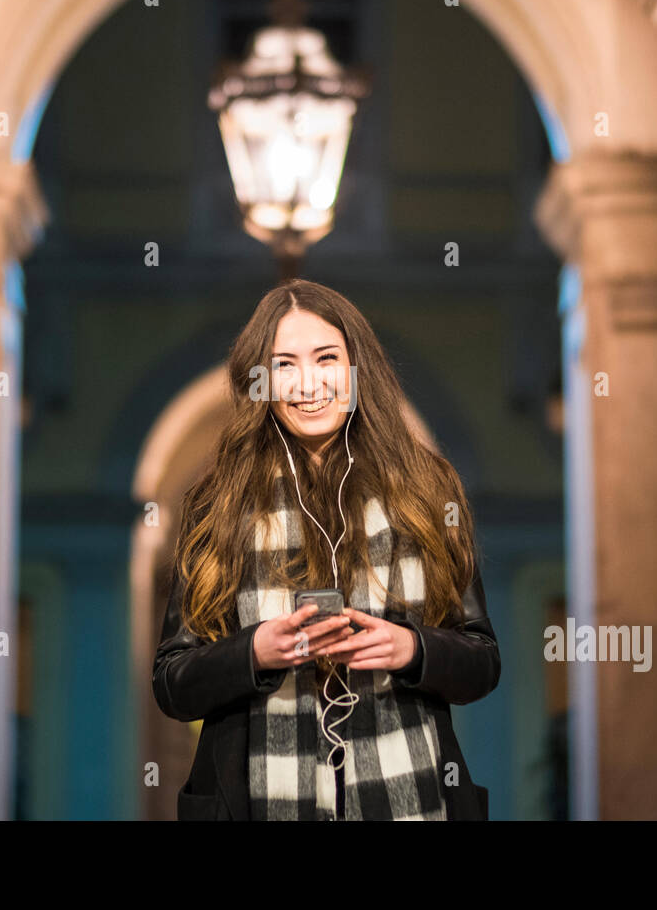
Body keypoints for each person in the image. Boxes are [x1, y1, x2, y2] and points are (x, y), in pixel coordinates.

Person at [152, 278, 501, 820]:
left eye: (326, 358)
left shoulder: (427, 488)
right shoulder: (216, 503)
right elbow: (173, 683)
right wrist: (255, 652)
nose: (308, 383)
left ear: (357, 369)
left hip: (411, 795)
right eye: (285, 364)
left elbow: (481, 661)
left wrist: (411, 649)